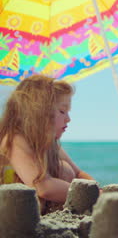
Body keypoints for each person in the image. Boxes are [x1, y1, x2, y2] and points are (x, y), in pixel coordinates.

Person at [0, 75, 95, 214]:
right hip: (13, 216)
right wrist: (91, 195)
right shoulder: (14, 140)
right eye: (62, 111)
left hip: (40, 211)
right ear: (39, 112)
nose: (68, 119)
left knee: (65, 169)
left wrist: (98, 189)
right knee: (61, 172)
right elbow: (44, 187)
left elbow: (78, 173)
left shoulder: (50, 143)